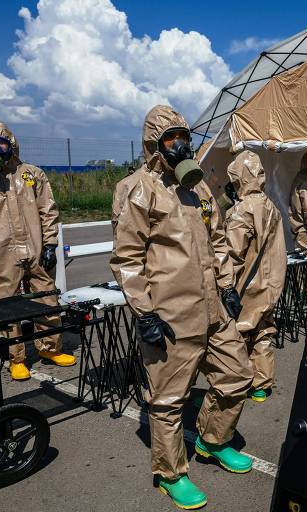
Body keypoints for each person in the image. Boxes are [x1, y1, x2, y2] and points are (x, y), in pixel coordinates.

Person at [110, 105, 254, 510]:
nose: (180, 145)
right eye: (170, 139)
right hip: (170, 317)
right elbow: (127, 258)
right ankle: (170, 473)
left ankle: (213, 440)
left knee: (237, 375)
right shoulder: (138, 189)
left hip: (212, 311)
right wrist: (144, 312)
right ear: (154, 145)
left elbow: (219, 240)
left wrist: (226, 287)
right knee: (169, 400)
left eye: (184, 137)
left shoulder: (199, 188)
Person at [0, 121, 75, 381]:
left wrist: (50, 244)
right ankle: (16, 359)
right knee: (9, 309)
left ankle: (50, 349)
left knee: (47, 300)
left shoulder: (33, 174)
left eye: (2, 143)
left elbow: (48, 211)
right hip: (2, 254)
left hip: (37, 250)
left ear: (12, 145)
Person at [224, 150, 287, 403]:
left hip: (246, 286)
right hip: (271, 283)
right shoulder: (271, 206)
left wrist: (224, 284)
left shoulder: (241, 211)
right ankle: (261, 385)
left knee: (237, 334)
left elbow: (231, 254)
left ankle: (235, 384)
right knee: (264, 332)